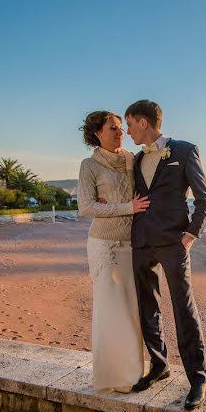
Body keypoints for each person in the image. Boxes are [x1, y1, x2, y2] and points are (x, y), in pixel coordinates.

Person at [126, 100, 206, 410]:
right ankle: (159, 365)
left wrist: (190, 235)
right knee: (147, 306)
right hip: (142, 242)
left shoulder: (185, 151)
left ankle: (198, 378)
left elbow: (204, 199)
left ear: (144, 123)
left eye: (130, 125)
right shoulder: (136, 160)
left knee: (183, 309)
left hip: (174, 243)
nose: (128, 131)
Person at [77, 111, 150, 392]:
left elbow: (142, 194)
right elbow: (86, 207)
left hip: (133, 243)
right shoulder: (90, 166)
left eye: (121, 127)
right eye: (113, 128)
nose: (120, 132)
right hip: (105, 245)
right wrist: (125, 208)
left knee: (131, 310)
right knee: (110, 310)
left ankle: (132, 376)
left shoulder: (133, 159)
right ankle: (110, 377)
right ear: (97, 133)